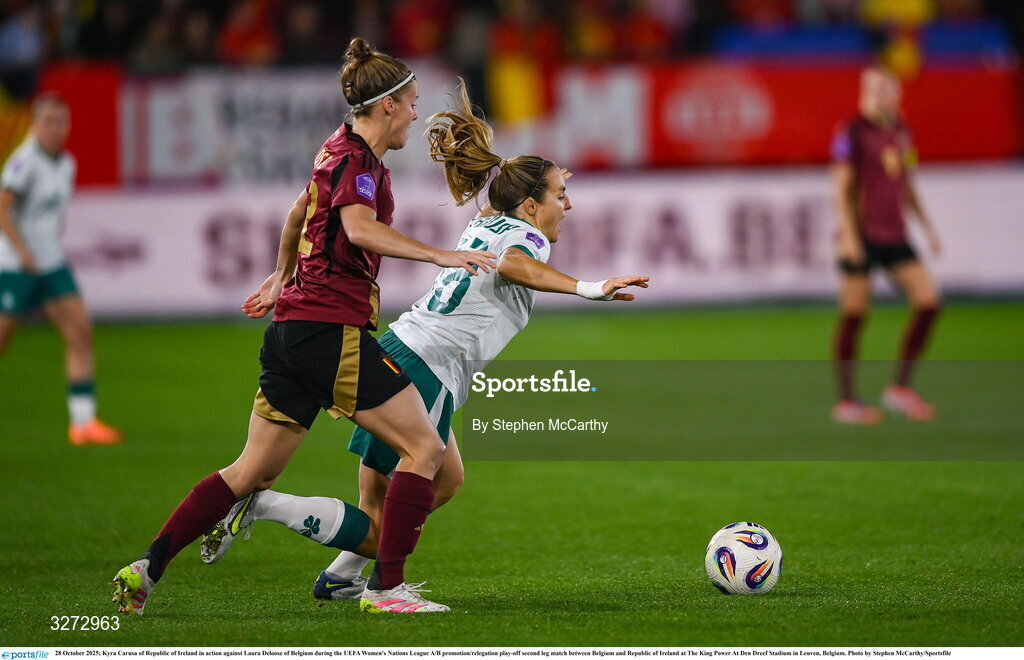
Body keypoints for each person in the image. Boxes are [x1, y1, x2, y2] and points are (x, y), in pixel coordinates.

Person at [196, 81, 650, 612]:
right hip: (430, 368)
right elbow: (515, 266)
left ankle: (343, 577)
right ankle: (275, 511)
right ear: (530, 206)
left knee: (438, 482)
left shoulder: (489, 220)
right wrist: (589, 288)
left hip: (401, 346)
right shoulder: (530, 238)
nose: (568, 205)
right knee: (398, 505)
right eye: (559, 194)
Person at [111, 38, 497, 617]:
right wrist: (441, 255)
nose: (417, 115)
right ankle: (386, 592)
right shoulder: (358, 164)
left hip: (292, 332)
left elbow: (298, 211)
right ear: (387, 104)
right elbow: (361, 231)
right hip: (331, 333)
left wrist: (280, 275)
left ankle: (147, 566)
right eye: (412, 103)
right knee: (425, 448)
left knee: (251, 469)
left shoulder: (333, 150)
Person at [0, 93, 122, 446]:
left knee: (80, 332)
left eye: (60, 122)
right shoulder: (24, 163)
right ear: (35, 124)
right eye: (48, 122)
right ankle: (83, 423)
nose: (55, 129)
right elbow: (3, 208)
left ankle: (83, 424)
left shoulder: (65, 162)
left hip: (50, 262)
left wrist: (47, 245)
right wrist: (22, 252)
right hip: (16, 266)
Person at [830, 66, 942, 425]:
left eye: (885, 89)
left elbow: (906, 182)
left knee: (928, 303)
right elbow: (840, 189)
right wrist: (848, 236)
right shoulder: (852, 132)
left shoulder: (901, 131)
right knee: (855, 314)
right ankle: (847, 401)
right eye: (873, 89)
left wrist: (927, 227)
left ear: (897, 94)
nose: (879, 96)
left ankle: (900, 389)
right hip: (861, 235)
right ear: (863, 94)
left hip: (895, 235)